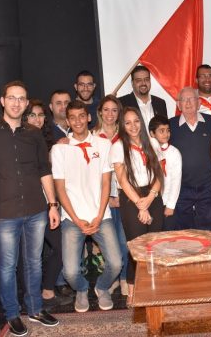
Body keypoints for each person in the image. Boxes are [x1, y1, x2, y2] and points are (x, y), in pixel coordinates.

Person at [0, 80, 60, 336]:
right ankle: (12, 314)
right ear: (2, 101)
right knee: (7, 266)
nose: (16, 103)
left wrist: (53, 204)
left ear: (26, 103)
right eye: (12, 98)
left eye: (21, 98)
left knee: (34, 262)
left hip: (36, 209)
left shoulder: (34, 134)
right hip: (4, 213)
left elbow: (44, 170)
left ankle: (35, 309)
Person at [52, 100, 122, 313]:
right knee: (70, 272)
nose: (78, 121)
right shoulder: (59, 149)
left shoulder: (103, 145)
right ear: (67, 121)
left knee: (116, 263)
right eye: (72, 117)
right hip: (72, 218)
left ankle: (102, 287)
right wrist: (76, 219)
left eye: (82, 116)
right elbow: (60, 189)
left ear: (89, 117)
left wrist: (99, 217)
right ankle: (82, 289)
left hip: (101, 216)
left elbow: (106, 183)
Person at [109, 107, 164, 304]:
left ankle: (153, 287)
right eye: (128, 122)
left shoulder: (152, 143)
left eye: (136, 121)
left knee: (154, 246)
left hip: (153, 195)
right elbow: (123, 181)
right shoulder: (118, 147)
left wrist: (151, 197)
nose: (133, 126)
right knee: (137, 247)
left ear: (141, 121)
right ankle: (132, 290)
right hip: (131, 198)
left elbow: (159, 174)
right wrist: (141, 205)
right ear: (122, 126)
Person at [22, 99, 69, 309]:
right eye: (32, 115)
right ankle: (29, 298)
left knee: (62, 247)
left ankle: (48, 290)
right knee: (30, 255)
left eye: (41, 115)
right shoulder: (19, 141)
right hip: (27, 205)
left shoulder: (51, 143)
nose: (37, 119)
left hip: (50, 204)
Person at [92, 95, 128, 295]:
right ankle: (113, 278)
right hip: (102, 198)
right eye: (106, 109)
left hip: (124, 195)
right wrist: (107, 198)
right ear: (100, 112)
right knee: (110, 242)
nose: (110, 114)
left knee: (124, 241)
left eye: (114, 110)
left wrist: (122, 195)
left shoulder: (125, 135)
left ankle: (124, 279)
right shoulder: (92, 137)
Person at [169, 87, 211, 230]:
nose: (188, 103)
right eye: (184, 100)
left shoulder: (210, 122)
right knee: (183, 230)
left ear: (198, 103)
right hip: (182, 187)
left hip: (207, 186)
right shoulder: (170, 125)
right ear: (178, 105)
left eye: (191, 99)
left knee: (207, 229)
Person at [149, 115, 182, 231]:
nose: (166, 134)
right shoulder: (147, 152)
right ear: (152, 134)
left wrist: (170, 205)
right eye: (161, 131)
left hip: (167, 202)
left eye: (168, 130)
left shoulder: (174, 153)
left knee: (168, 235)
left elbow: (176, 181)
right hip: (151, 202)